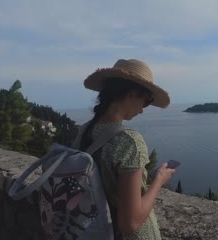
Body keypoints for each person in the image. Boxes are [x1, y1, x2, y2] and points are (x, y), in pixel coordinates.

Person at [72, 59, 175, 240]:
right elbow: (131, 224)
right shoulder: (129, 141)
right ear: (132, 93)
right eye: (146, 101)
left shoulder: (84, 131)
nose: (143, 110)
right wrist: (159, 180)